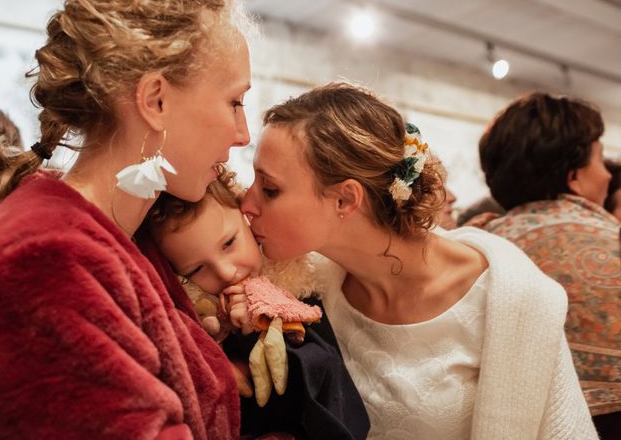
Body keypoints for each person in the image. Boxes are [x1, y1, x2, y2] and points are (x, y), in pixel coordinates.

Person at [0, 0, 252, 439]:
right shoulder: (45, 259)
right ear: (155, 101)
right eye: (234, 102)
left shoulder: (128, 234)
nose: (242, 134)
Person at [240, 82, 597, 439]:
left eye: (270, 189)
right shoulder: (303, 287)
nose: (247, 203)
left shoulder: (510, 300)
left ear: (345, 200)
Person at [144, 168, 370, 439]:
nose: (226, 272)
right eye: (197, 269)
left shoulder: (292, 287)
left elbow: (332, 393)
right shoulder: (197, 324)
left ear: (245, 217)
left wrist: (257, 329)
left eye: (229, 243)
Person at [478, 92, 621, 438]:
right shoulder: (613, 243)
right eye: (601, 161)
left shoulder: (474, 248)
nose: (607, 176)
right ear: (574, 175)